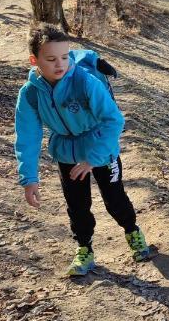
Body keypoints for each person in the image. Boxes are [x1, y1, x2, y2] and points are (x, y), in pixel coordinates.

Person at [14, 23, 151, 276]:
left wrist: (92, 159)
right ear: (35, 60)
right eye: (51, 59)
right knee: (77, 205)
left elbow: (114, 120)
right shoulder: (31, 94)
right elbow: (27, 137)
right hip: (67, 152)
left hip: (102, 149)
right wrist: (29, 178)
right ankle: (84, 249)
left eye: (65, 57)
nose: (60, 64)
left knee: (114, 199)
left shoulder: (85, 81)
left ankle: (132, 231)